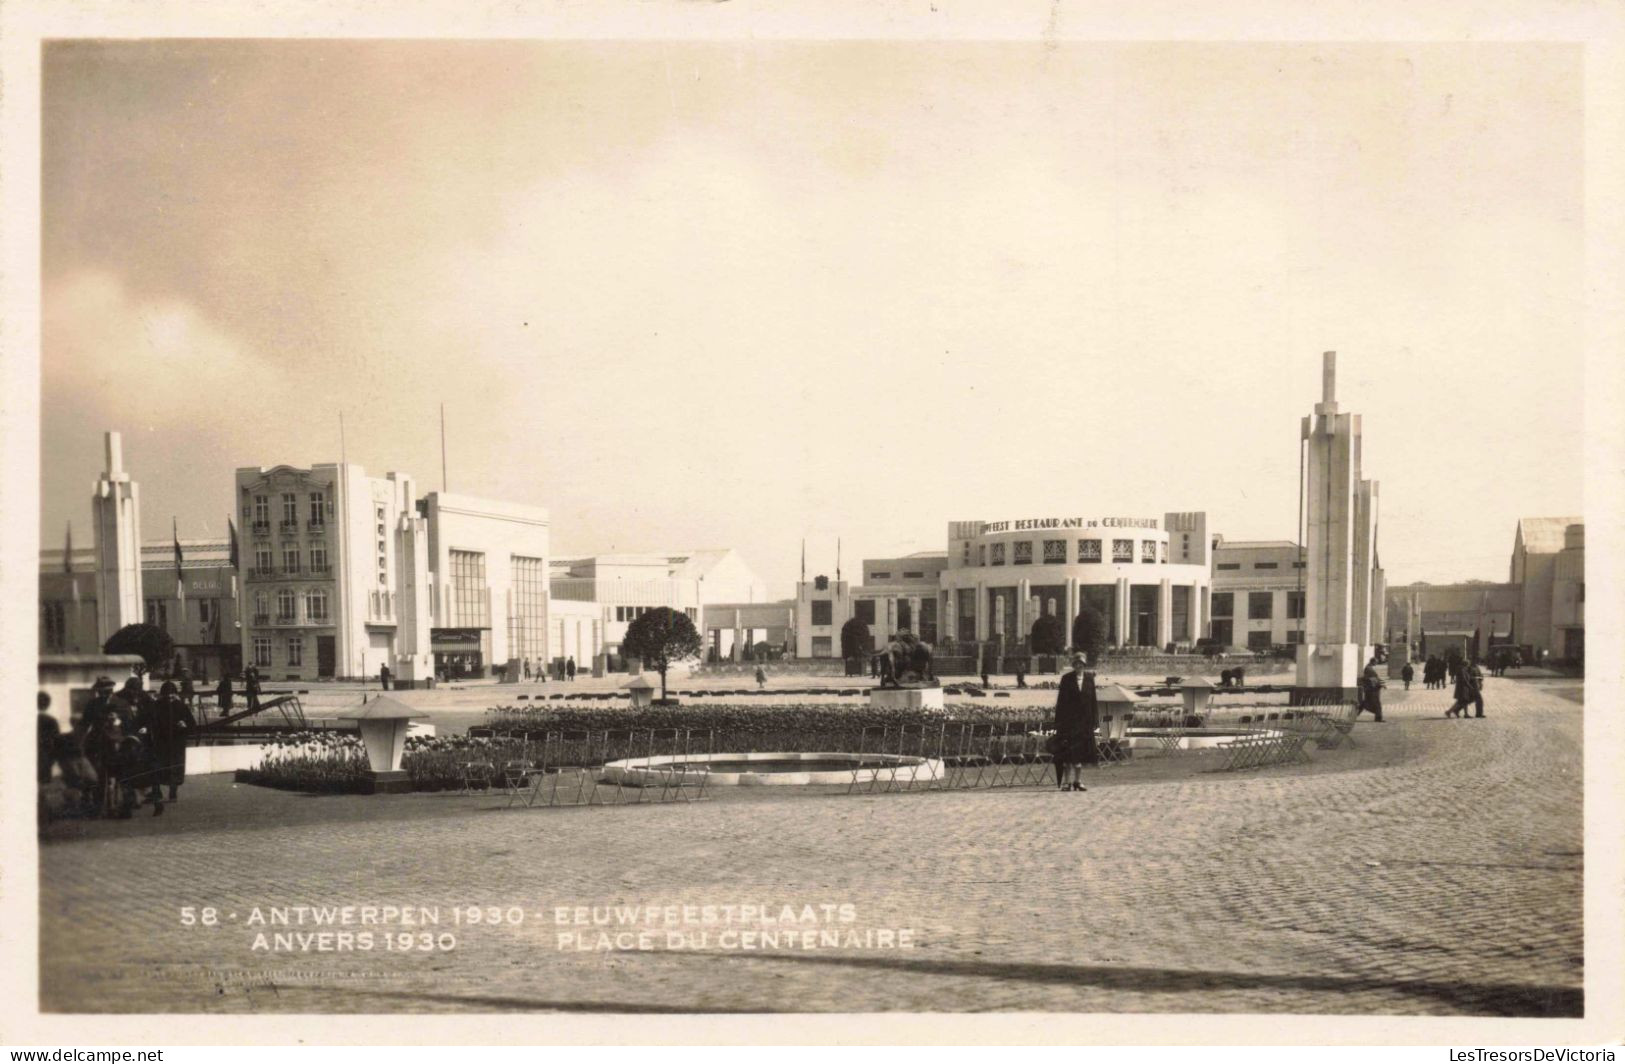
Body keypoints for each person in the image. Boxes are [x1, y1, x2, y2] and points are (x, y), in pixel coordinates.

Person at [142, 682, 197, 802]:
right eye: (167, 695)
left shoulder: (181, 707)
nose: (169, 697)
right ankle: (157, 792)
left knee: (174, 769)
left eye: (172, 694)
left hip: (176, 743)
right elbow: (148, 720)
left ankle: (172, 793)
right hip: (161, 742)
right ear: (162, 695)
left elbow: (193, 725)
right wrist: (146, 728)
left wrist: (185, 725)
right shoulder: (156, 706)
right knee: (158, 768)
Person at [1051, 655, 1099, 791]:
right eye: (1077, 664)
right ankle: (1067, 782)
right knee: (1068, 754)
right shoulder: (1066, 679)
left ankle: (1078, 781)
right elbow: (1061, 702)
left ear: (1084, 665)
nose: (1079, 666)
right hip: (1069, 723)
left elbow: (1093, 701)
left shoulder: (1089, 679)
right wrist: (1058, 722)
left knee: (1081, 753)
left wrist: (1095, 720)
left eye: (1081, 664)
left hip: (1085, 723)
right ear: (1074, 665)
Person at [38, 691, 61, 787]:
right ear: (48, 704)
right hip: (46, 755)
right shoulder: (51, 720)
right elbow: (57, 740)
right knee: (44, 783)